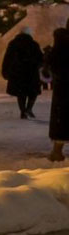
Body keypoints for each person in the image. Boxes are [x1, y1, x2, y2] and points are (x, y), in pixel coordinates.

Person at [2, 27, 44, 119]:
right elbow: (40, 58)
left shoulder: (13, 44)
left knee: (21, 93)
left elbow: (7, 58)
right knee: (33, 92)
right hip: (31, 72)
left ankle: (23, 111)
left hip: (18, 72)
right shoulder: (33, 44)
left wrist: (5, 71)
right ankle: (29, 108)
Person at [48, 27, 69, 161]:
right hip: (64, 87)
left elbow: (52, 63)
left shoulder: (60, 45)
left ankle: (57, 151)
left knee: (61, 121)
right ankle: (56, 152)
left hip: (63, 88)